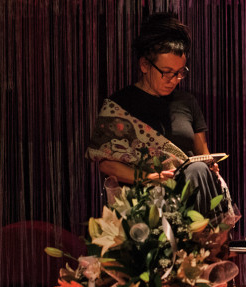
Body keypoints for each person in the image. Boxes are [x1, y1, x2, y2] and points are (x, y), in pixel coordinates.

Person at [87, 12, 230, 221]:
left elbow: (203, 153)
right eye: (167, 72)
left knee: (199, 169)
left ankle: (202, 235)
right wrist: (149, 177)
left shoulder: (187, 102)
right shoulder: (120, 105)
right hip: (146, 204)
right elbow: (106, 164)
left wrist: (211, 167)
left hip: (192, 190)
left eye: (180, 72)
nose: (174, 79)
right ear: (145, 65)